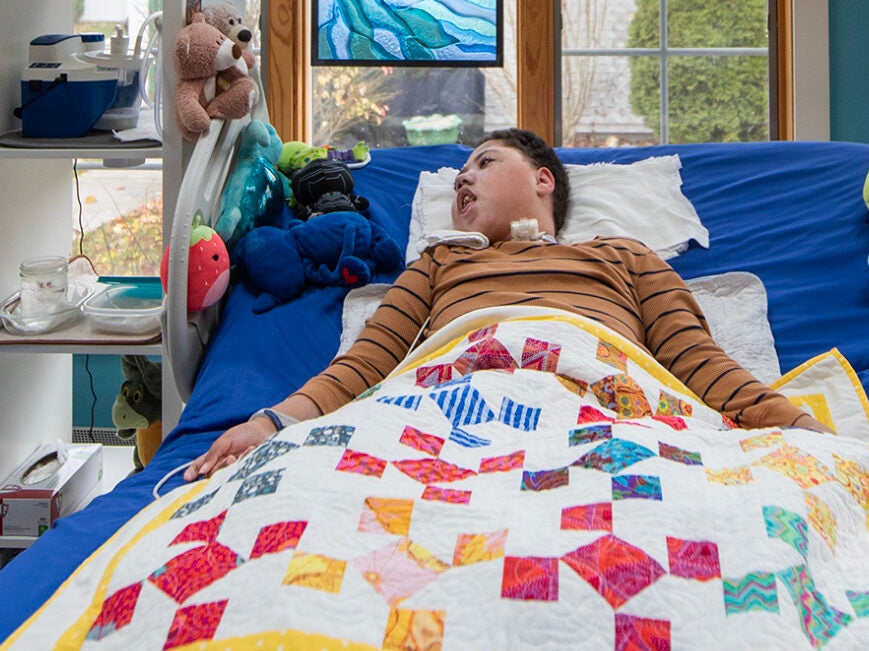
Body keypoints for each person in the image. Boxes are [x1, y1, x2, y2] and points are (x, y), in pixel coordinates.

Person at [187, 129, 823, 479]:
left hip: (606, 409)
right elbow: (366, 365)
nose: (463, 177)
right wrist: (270, 424)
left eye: (484, 163)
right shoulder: (441, 262)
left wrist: (797, 426)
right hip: (453, 408)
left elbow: (697, 362)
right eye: (460, 174)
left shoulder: (624, 256)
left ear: (543, 180)